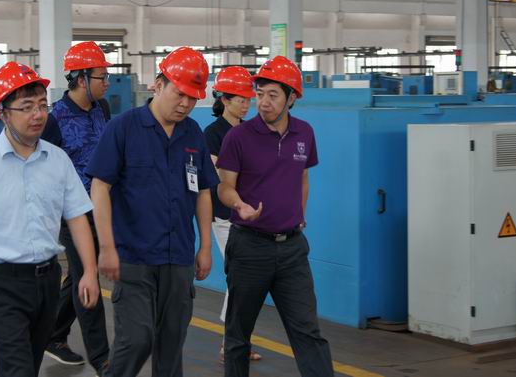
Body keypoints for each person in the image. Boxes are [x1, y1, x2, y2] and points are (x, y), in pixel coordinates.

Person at [0, 61, 100, 377]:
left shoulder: (57, 160)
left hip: (47, 281)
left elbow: (77, 218)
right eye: (27, 107)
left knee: (29, 366)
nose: (38, 114)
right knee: (17, 370)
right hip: (1, 284)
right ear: (3, 112)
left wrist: (89, 272)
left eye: (42, 105)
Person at [87, 46, 218, 377]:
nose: (185, 104)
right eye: (180, 94)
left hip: (179, 258)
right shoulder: (123, 128)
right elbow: (99, 187)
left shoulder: (193, 133)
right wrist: (106, 247)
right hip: (134, 258)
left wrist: (205, 246)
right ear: (158, 84)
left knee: (172, 347)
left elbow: (203, 190)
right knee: (136, 339)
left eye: (193, 98)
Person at [217, 56, 334, 377]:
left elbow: (303, 177)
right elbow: (224, 187)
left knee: (308, 332)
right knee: (238, 336)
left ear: (291, 98)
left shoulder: (304, 133)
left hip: (292, 250)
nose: (263, 102)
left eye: (273, 95)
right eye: (259, 94)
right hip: (249, 248)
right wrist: (239, 205)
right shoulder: (238, 137)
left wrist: (300, 214)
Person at [41, 41, 112, 373]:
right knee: (87, 276)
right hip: (71, 213)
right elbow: (42, 169)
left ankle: (53, 334)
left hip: (101, 207)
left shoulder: (102, 109)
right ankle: (102, 358)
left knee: (80, 275)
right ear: (81, 79)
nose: (107, 82)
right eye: (101, 76)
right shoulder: (54, 119)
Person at [202, 66, 262, 364]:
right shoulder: (213, 134)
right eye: (241, 99)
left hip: (248, 214)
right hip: (225, 215)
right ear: (224, 99)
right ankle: (232, 342)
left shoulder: (249, 131)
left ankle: (236, 341)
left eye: (249, 99)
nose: (246, 104)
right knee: (240, 274)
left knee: (246, 277)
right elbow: (220, 176)